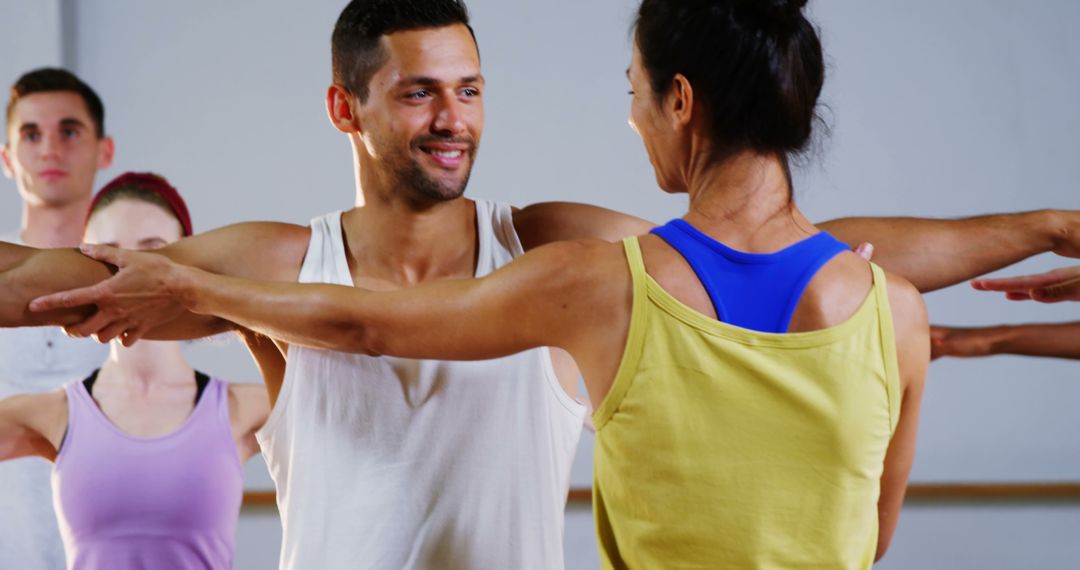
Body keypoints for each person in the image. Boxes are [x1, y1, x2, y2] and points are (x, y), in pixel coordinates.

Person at [2, 0, 1080, 567]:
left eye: (469, 90)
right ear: (347, 111)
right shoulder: (280, 262)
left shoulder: (561, 252)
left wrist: (1043, 226)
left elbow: (797, 245)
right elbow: (45, 279)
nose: (454, 119)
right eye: (421, 94)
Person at [0, 172, 270, 569]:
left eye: (153, 251)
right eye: (108, 255)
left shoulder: (246, 408)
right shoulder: (50, 413)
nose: (129, 276)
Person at [0, 67, 113, 569]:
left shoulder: (146, 285)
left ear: (104, 150)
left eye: (69, 131)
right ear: (7, 157)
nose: (49, 149)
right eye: (30, 134)